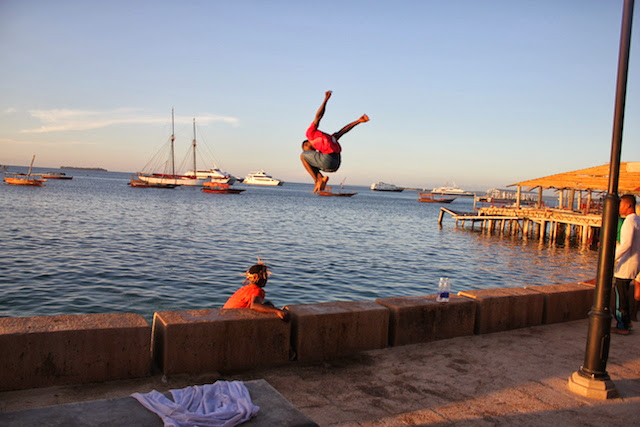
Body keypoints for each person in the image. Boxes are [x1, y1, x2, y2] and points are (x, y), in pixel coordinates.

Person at [300, 91, 369, 193]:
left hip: (328, 160)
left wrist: (325, 100)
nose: (313, 151)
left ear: (307, 144)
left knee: (303, 156)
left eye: (309, 150)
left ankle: (317, 180)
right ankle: (320, 179)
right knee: (311, 162)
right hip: (336, 164)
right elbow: (343, 131)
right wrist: (358, 121)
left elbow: (318, 116)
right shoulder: (330, 138)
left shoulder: (310, 134)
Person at [223, 262, 289, 321]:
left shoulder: (246, 288)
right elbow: (254, 305)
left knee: (268, 304)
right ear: (260, 278)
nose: (266, 279)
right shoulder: (257, 290)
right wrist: (277, 311)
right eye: (265, 276)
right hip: (232, 319)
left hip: (225, 315)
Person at [612, 194, 640, 335]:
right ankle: (627, 322)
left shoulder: (629, 221)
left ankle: (622, 325)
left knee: (621, 296)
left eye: (621, 205)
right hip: (635, 261)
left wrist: (613, 257)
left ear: (629, 205)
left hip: (626, 264)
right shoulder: (638, 220)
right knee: (624, 294)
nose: (619, 208)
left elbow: (626, 244)